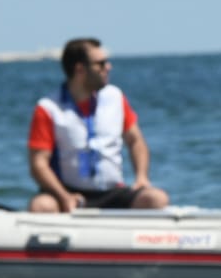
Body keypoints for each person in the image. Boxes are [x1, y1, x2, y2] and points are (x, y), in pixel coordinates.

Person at [27, 37, 170, 212]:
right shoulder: (48, 108)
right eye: (100, 64)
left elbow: (135, 140)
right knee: (41, 206)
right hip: (68, 191)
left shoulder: (115, 97)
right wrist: (64, 196)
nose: (108, 67)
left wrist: (141, 177)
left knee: (156, 199)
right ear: (80, 69)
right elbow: (38, 163)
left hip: (112, 191)